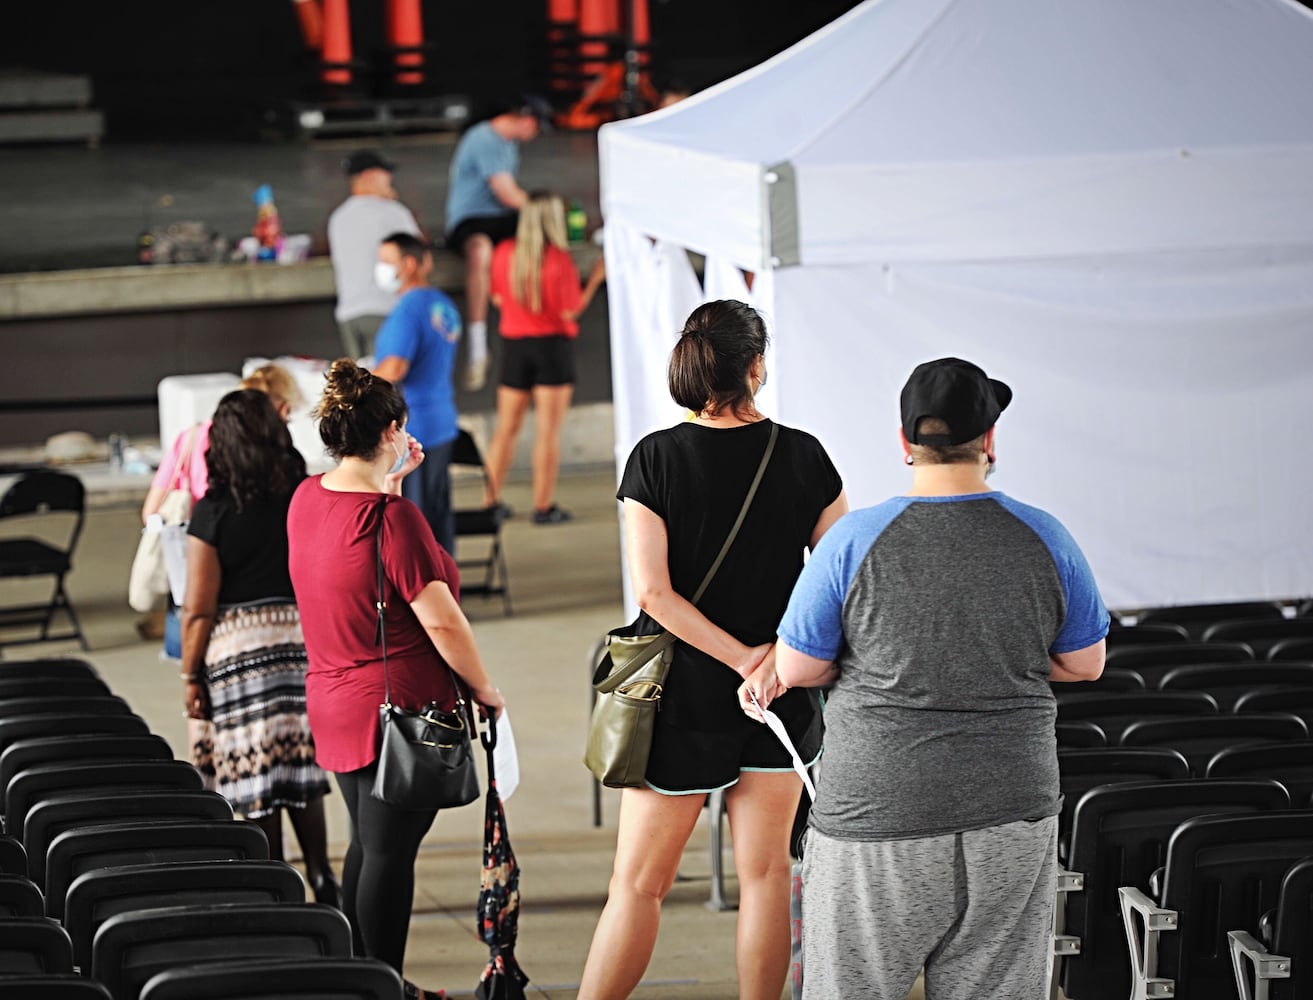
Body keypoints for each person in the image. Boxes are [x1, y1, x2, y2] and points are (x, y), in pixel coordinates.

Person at [774, 357, 1109, 1000]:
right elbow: (1083, 662)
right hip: (1011, 810)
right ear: (988, 441)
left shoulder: (853, 541)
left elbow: (798, 668)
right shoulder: (1046, 537)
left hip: (876, 815)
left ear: (905, 444)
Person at [577, 300, 849, 1000]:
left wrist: (738, 660)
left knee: (638, 886)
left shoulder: (657, 458)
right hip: (781, 694)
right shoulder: (805, 455)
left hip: (680, 695)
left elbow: (655, 596)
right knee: (764, 878)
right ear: (755, 367)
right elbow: (835, 584)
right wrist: (770, 662)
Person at [287, 358, 506, 1000]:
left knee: (368, 846)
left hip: (334, 698)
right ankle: (379, 985)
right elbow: (442, 621)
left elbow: (367, 564)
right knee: (389, 856)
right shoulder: (392, 520)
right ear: (391, 432)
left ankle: (363, 977)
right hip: (397, 709)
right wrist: (484, 688)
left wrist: (394, 488)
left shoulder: (308, 499)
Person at [179, 388, 338, 906]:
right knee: (301, 768)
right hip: (301, 641)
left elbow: (200, 608)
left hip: (238, 655)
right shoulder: (303, 493)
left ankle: (280, 890)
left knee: (256, 778)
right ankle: (322, 875)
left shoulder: (214, 511)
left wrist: (189, 675)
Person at [483, 190, 600, 524]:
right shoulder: (558, 260)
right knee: (548, 431)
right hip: (552, 347)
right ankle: (542, 506)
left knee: (506, 429)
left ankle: (489, 501)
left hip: (514, 346)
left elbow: (497, 299)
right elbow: (570, 310)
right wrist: (594, 280)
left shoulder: (504, 252)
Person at [443, 96, 551, 392]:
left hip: (499, 218)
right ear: (528, 122)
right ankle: (478, 346)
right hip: (470, 219)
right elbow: (506, 192)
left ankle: (533, 322)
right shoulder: (484, 139)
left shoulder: (509, 145)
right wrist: (545, 209)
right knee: (481, 251)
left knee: (538, 241)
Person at [371, 232, 463, 555]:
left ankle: (422, 598)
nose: (380, 269)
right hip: (442, 421)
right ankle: (447, 592)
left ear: (409, 264)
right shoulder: (443, 305)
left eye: (386, 261)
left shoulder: (408, 310)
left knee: (413, 522)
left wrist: (356, 378)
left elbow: (394, 369)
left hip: (414, 427)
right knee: (437, 518)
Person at [328, 149, 422, 360]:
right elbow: (417, 252)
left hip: (348, 314)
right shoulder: (394, 212)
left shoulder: (338, 217)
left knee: (360, 388)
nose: (390, 178)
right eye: (385, 173)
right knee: (386, 387)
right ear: (369, 176)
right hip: (385, 310)